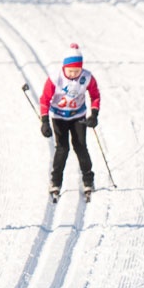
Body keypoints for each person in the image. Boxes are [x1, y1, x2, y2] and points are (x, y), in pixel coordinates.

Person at [38, 45, 101, 201]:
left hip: (78, 116)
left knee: (80, 146)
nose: (73, 74)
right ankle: (55, 181)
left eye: (77, 71)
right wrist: (45, 122)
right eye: (70, 71)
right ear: (64, 67)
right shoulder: (55, 78)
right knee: (62, 149)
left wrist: (94, 114)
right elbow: (44, 99)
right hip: (59, 117)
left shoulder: (87, 77)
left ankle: (88, 180)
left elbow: (95, 95)